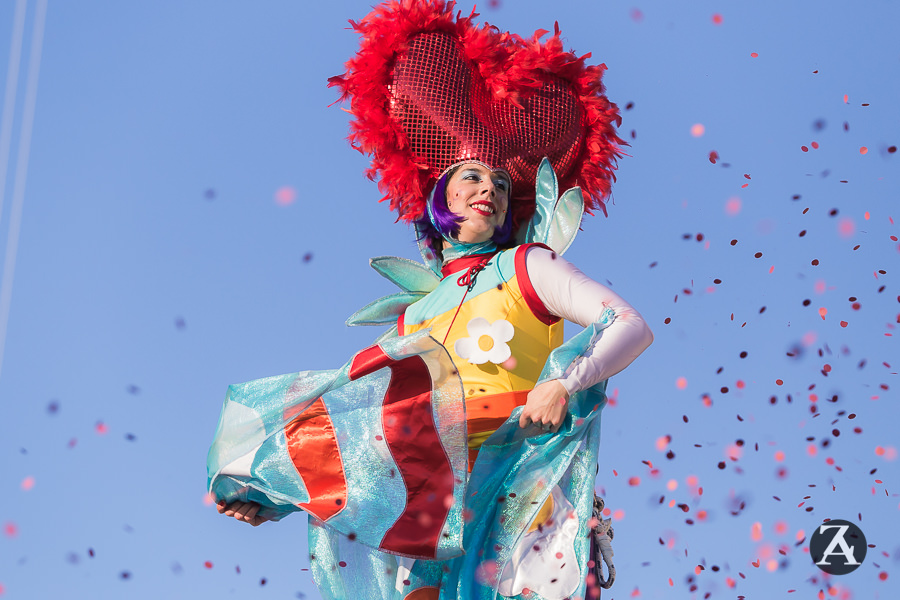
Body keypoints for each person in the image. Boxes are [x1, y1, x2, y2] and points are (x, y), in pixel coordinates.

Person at [209, 2, 652, 599]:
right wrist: (276, 495)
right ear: (440, 196)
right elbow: (361, 431)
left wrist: (564, 383)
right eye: (471, 177)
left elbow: (629, 325)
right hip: (433, 506)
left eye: (499, 183)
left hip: (518, 483)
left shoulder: (528, 266)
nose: (488, 189)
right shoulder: (414, 316)